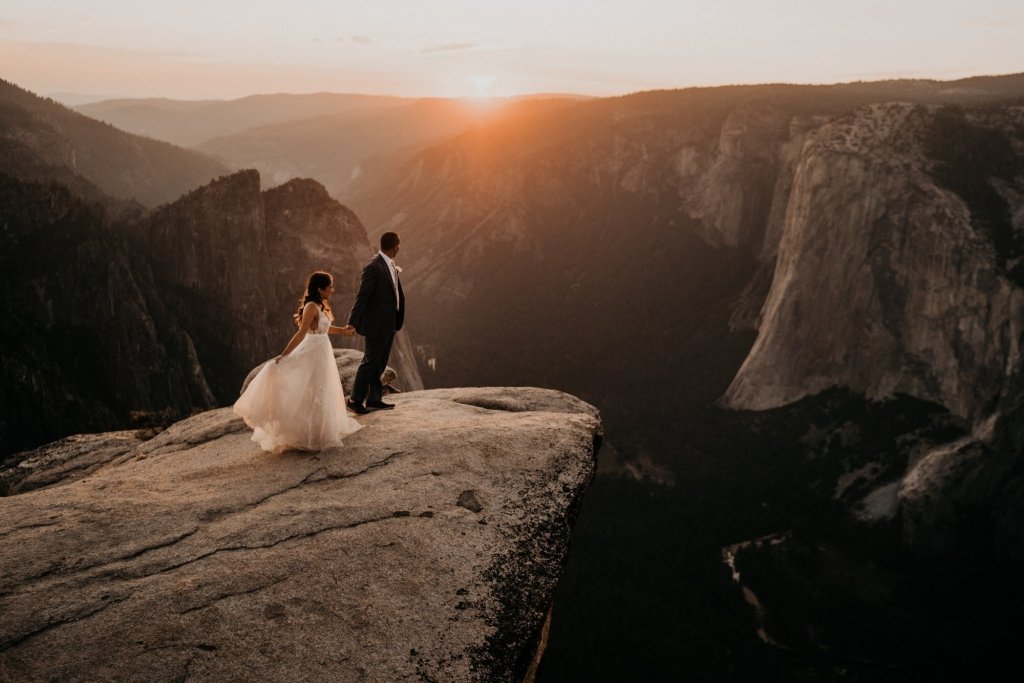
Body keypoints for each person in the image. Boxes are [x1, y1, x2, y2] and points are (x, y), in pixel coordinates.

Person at [234, 271, 362, 452]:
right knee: (313, 390)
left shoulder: (319, 305)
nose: (333, 290)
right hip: (313, 352)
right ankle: (309, 434)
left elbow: (323, 329)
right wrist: (284, 355)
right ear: (320, 289)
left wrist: (343, 331)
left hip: (321, 350)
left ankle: (318, 430)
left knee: (320, 389)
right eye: (330, 287)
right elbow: (301, 333)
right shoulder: (311, 307)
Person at [346, 232, 405, 414]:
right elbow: (362, 295)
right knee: (370, 362)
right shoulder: (373, 266)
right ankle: (355, 399)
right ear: (395, 245)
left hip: (389, 323)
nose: (399, 248)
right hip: (376, 325)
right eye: (399, 245)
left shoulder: (389, 265)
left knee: (379, 363)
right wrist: (352, 321)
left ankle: (374, 399)